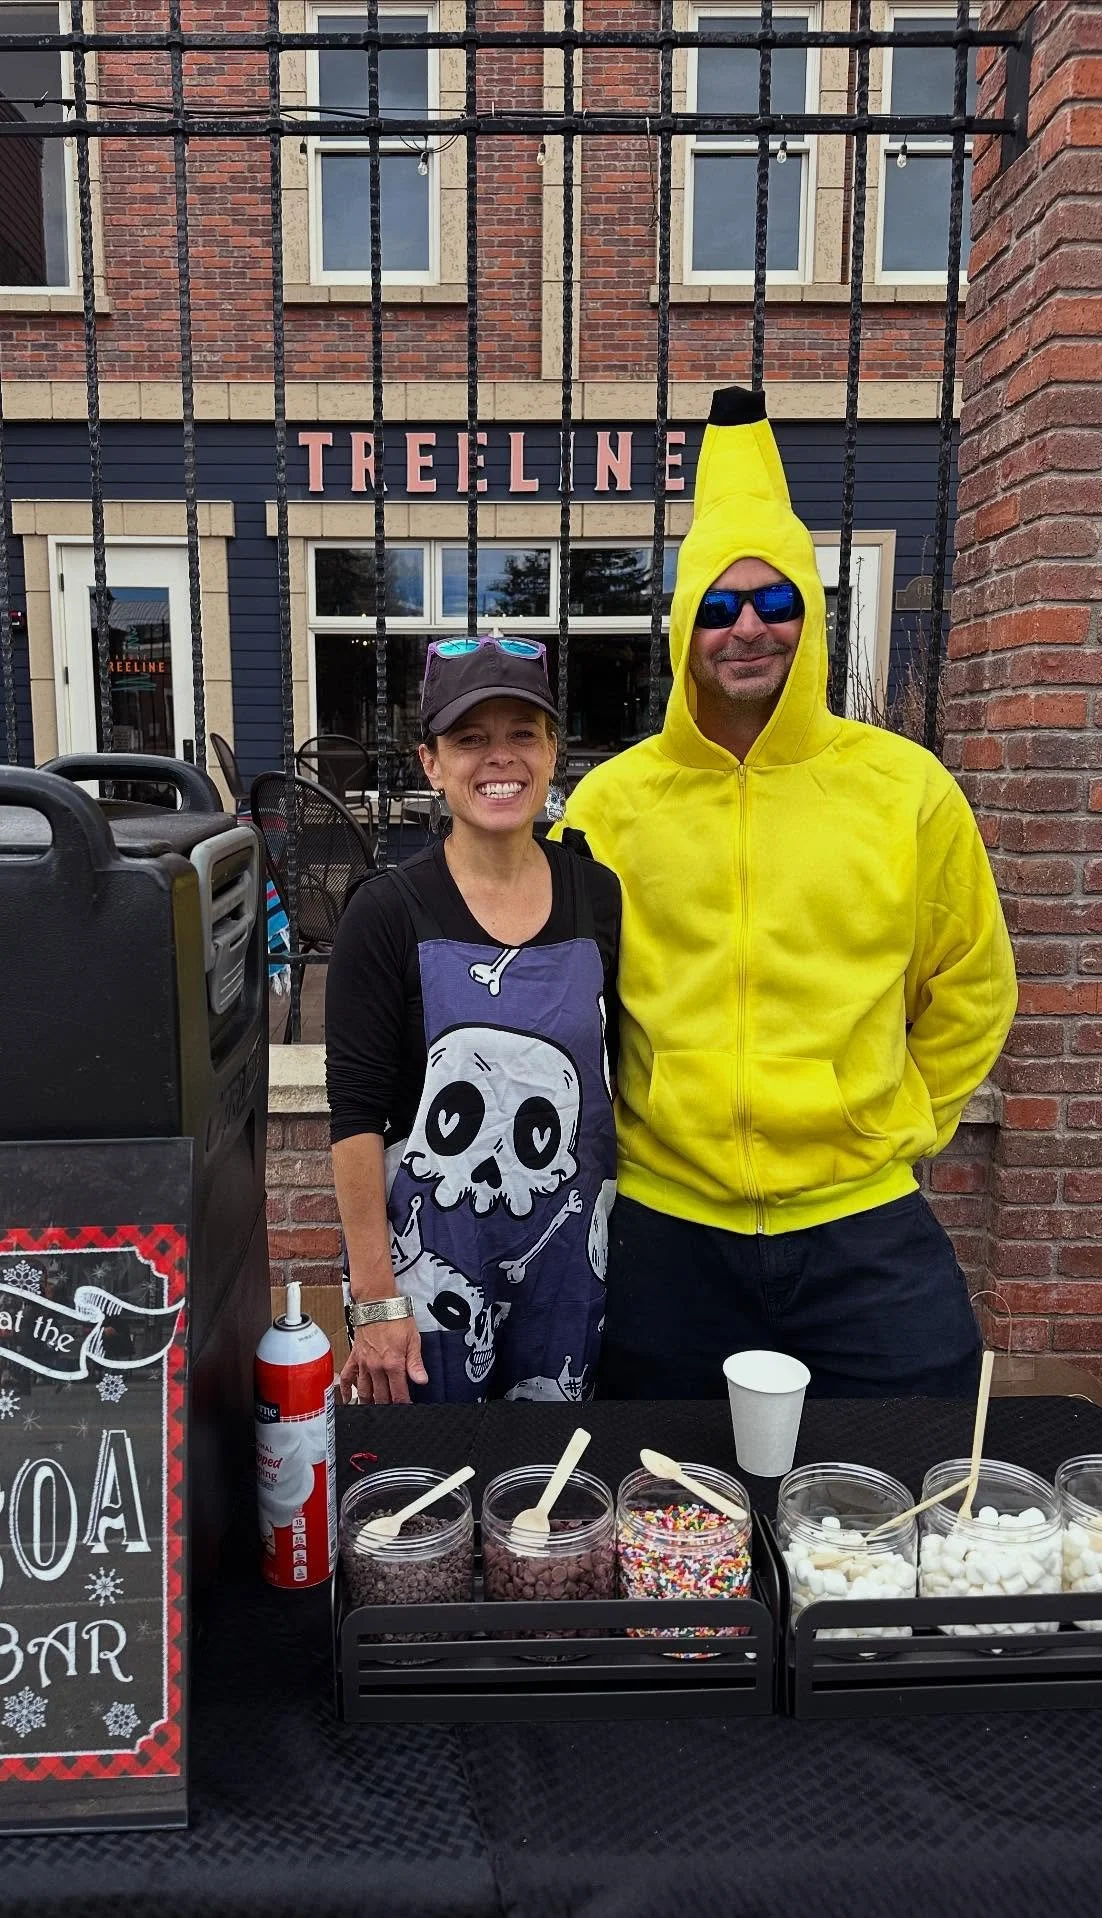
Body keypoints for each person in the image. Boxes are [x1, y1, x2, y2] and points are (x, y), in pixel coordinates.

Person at [558, 385, 1017, 1399]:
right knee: (656, 1480)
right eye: (718, 607)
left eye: (776, 602)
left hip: (861, 1221)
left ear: (811, 614)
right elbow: (553, 992)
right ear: (683, 628)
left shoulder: (904, 790)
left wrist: (890, 1121)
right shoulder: (610, 805)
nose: (748, 628)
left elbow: (974, 985)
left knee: (922, 1464)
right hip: (667, 1226)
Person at [325, 633, 622, 1405]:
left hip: (570, 1279)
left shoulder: (598, 896)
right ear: (431, 762)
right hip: (426, 1283)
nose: (500, 758)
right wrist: (376, 1298)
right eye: (469, 739)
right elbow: (354, 1117)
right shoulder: (386, 912)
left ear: (552, 753)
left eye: (523, 733)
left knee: (556, 1474)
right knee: (430, 1472)